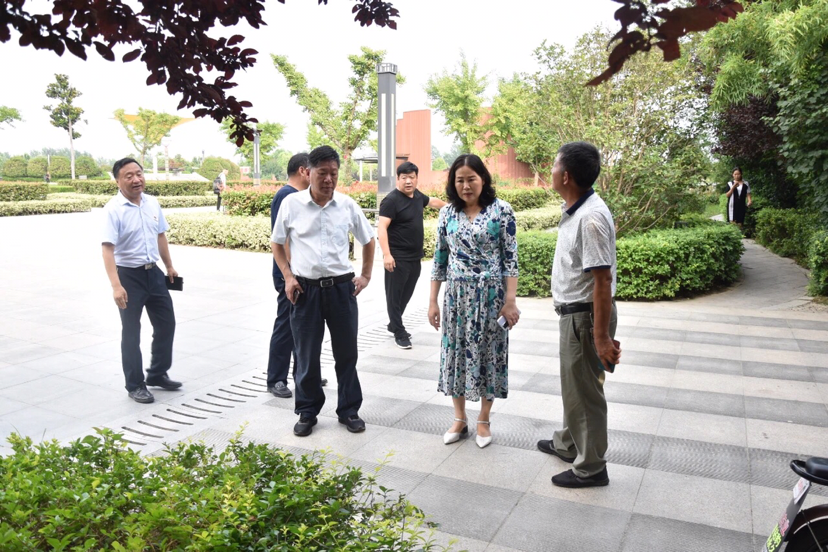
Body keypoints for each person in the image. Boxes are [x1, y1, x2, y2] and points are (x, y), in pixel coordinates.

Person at [271, 146, 375, 437]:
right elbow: (277, 242)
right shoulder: (292, 204)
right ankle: (307, 411)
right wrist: (288, 277)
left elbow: (368, 240)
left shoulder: (347, 205)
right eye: (323, 173)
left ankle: (349, 410)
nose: (329, 179)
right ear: (308, 172)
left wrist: (366, 275)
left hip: (342, 289)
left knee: (347, 354)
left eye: (334, 173)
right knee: (306, 354)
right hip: (306, 291)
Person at [536, 141, 621, 488]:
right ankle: (570, 444)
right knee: (575, 387)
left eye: (554, 165)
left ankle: (591, 467)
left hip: (585, 319)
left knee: (585, 393)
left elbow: (602, 280)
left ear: (566, 175)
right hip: (576, 317)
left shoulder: (590, 219)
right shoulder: (577, 209)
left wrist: (600, 337)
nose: (551, 170)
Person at [428, 154, 519, 449]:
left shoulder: (502, 211)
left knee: (489, 355)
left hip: (491, 297)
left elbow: (511, 260)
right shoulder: (447, 214)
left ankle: (483, 419)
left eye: (471, 179)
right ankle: (459, 418)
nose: (466, 186)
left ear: (483, 179)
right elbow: (439, 260)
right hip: (456, 298)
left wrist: (510, 300)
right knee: (455, 353)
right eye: (460, 180)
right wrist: (433, 301)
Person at [101, 158, 182, 404]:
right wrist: (116, 286)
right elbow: (107, 249)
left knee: (167, 324)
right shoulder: (113, 209)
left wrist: (169, 265)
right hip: (128, 276)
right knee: (131, 332)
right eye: (129, 176)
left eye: (139, 173)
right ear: (117, 181)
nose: (136, 179)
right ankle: (135, 384)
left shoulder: (152, 203)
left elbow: (160, 236)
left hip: (154, 273)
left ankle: (157, 373)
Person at [266, 153, 327, 398]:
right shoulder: (287, 196)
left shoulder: (296, 195)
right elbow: (283, 239)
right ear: (304, 171)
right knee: (286, 326)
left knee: (301, 327)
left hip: (297, 274)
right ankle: (276, 379)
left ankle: (303, 373)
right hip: (289, 275)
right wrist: (291, 274)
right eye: (315, 170)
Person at [378, 162, 446, 349]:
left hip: (415, 258)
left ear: (416, 178)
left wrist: (451, 208)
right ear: (398, 179)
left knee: (405, 295)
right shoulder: (391, 201)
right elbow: (382, 228)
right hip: (397, 258)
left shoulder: (417, 196)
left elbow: (432, 201)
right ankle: (399, 332)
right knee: (394, 297)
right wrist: (387, 255)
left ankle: (393, 324)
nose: (408, 181)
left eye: (411, 177)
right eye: (404, 178)